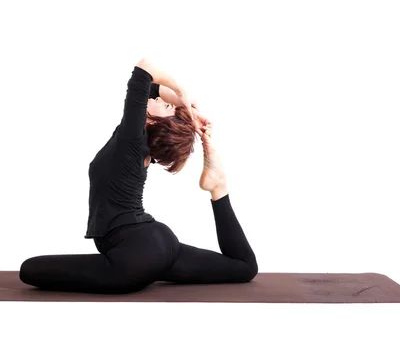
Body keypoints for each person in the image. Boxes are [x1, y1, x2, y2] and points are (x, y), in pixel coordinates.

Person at [19, 58, 258, 294]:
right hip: (156, 243)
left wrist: (182, 92)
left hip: (133, 257)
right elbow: (153, 89)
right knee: (243, 267)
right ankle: (219, 187)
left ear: (153, 121)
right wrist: (188, 109)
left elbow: (144, 70)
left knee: (30, 269)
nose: (156, 99)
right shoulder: (135, 143)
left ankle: (217, 183)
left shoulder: (132, 140)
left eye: (163, 105)